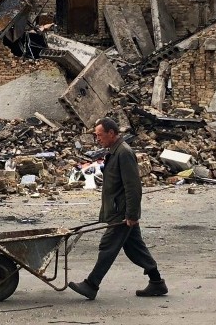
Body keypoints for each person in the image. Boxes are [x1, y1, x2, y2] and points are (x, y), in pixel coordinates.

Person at [68, 117, 167, 300]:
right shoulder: (114, 152)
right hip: (117, 210)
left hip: (122, 212)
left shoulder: (124, 153)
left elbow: (133, 187)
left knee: (108, 246)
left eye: (100, 135)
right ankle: (157, 282)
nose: (97, 139)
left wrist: (131, 214)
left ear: (111, 133)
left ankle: (91, 284)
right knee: (135, 248)